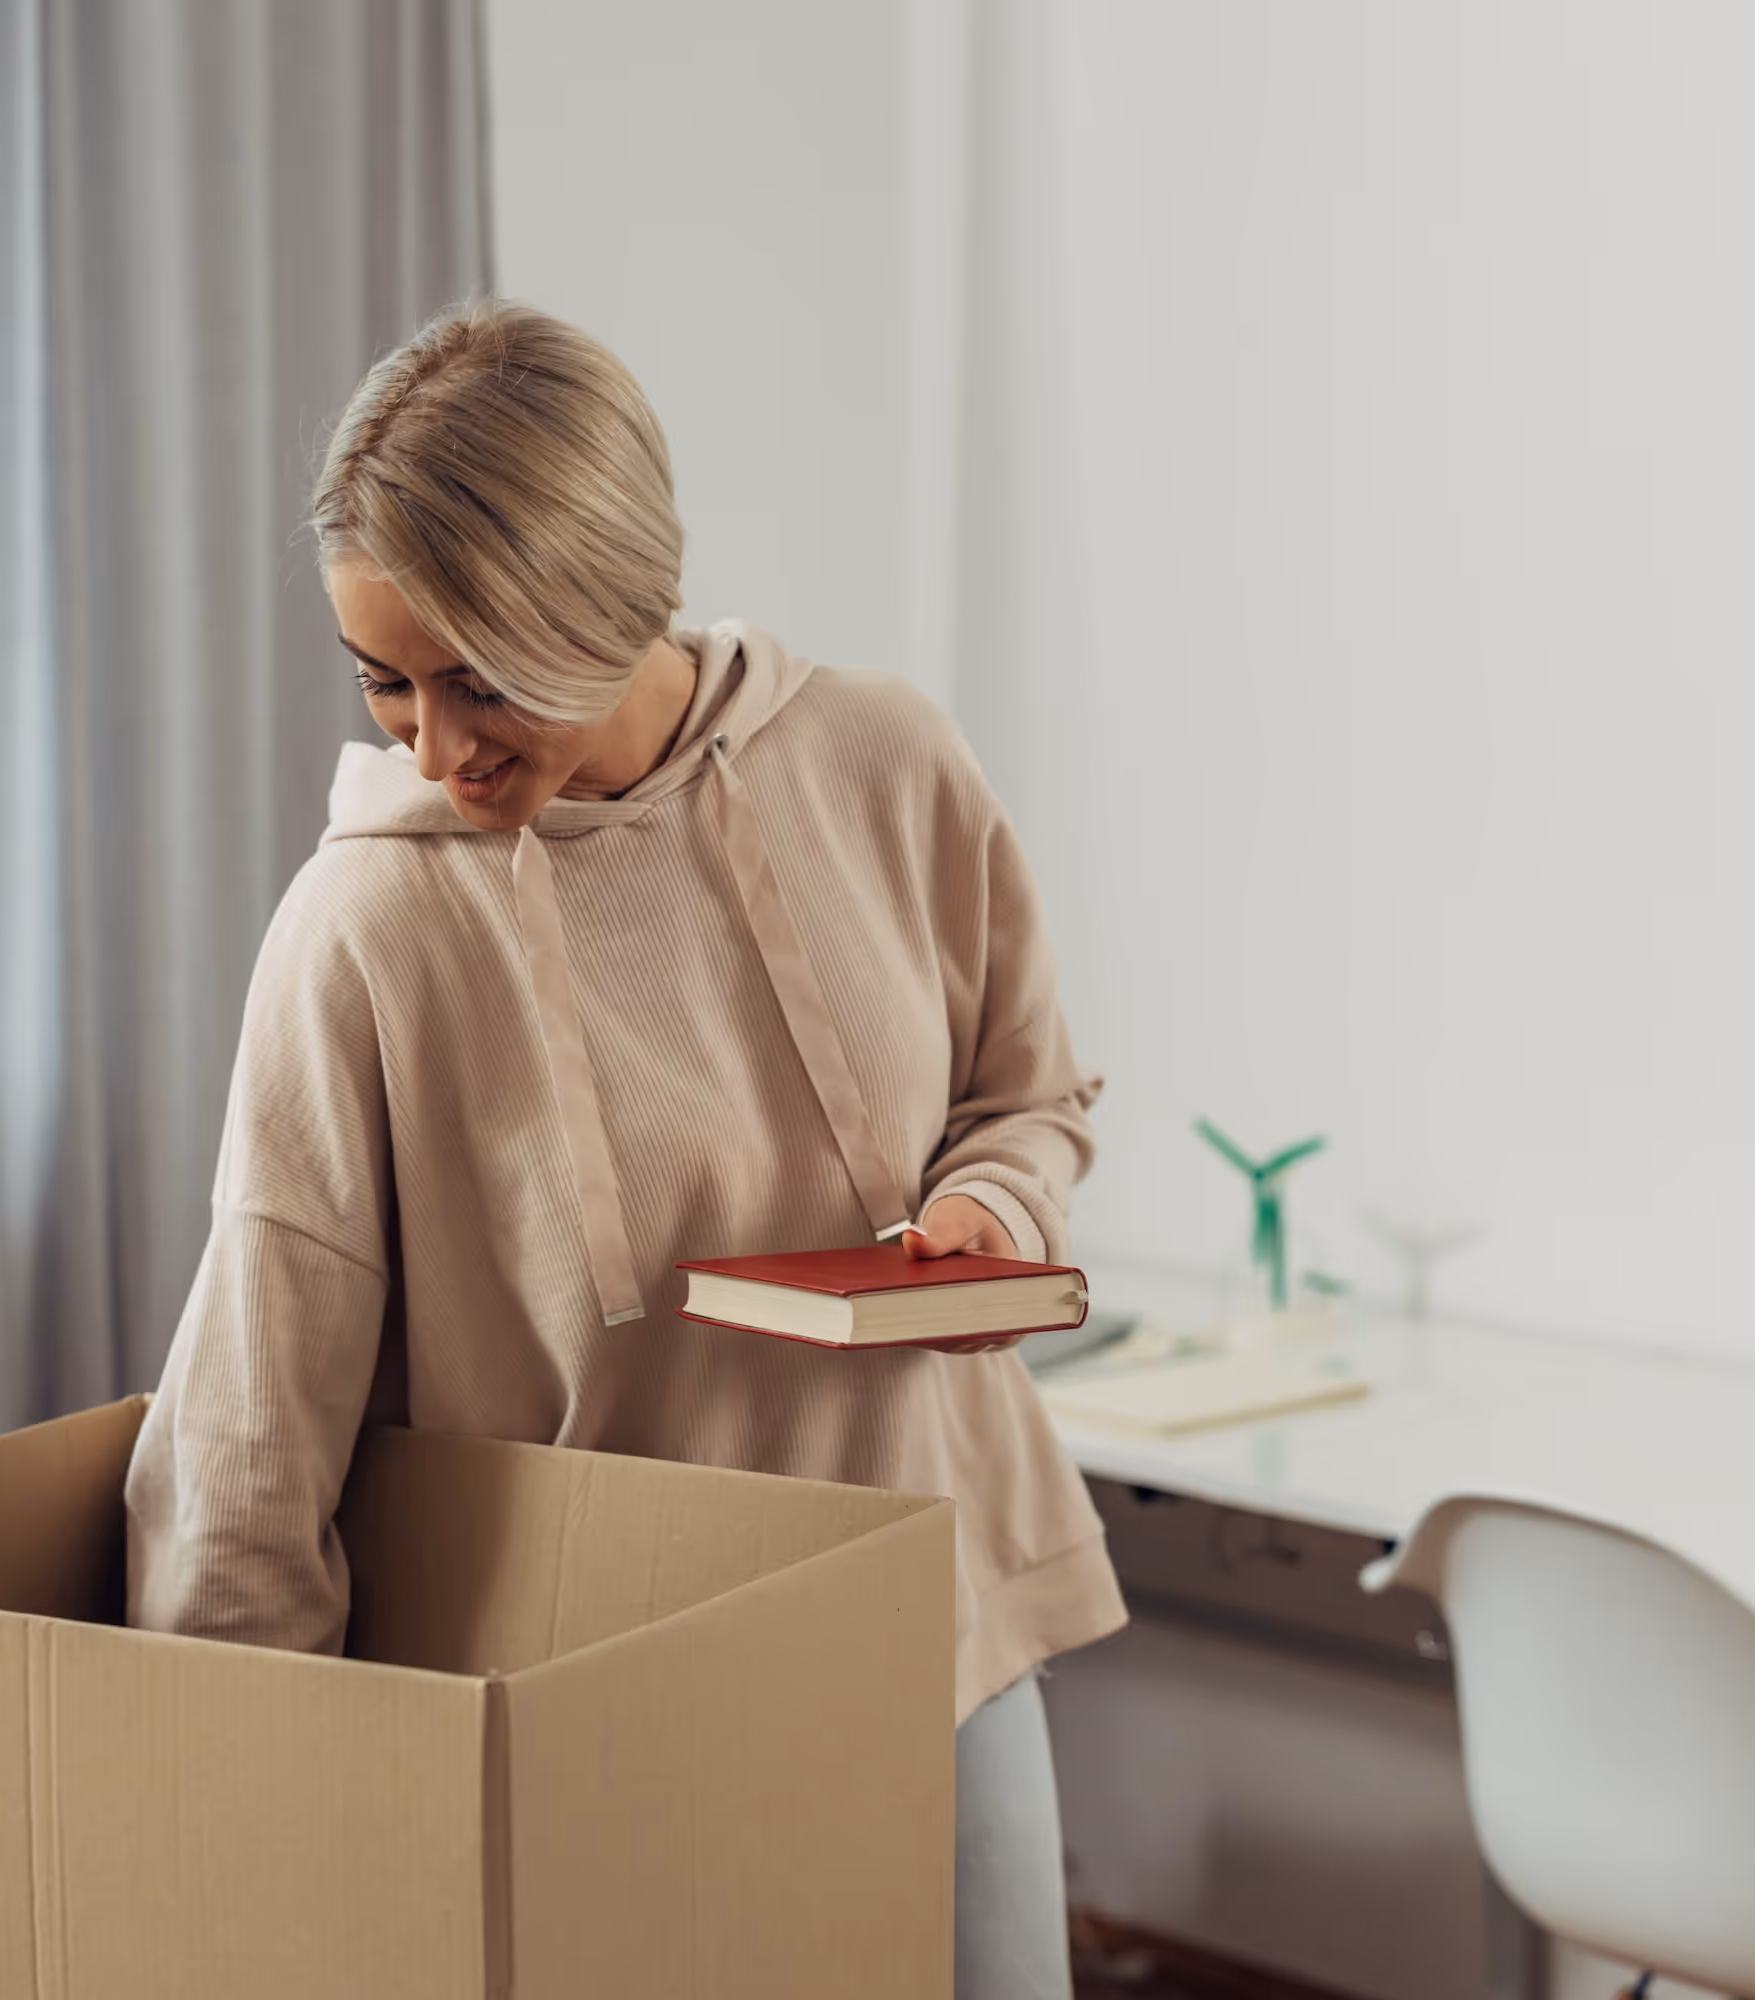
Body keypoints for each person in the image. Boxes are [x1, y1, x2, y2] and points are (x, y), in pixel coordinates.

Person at [123, 298, 1124, 2000]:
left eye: (483, 679)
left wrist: (984, 1205)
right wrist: (258, 1815)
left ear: (619, 599)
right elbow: (248, 1432)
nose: (435, 748)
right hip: (608, 1701)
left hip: (935, 1641)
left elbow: (1029, 1092)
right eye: (385, 681)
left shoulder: (884, 764)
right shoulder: (362, 932)